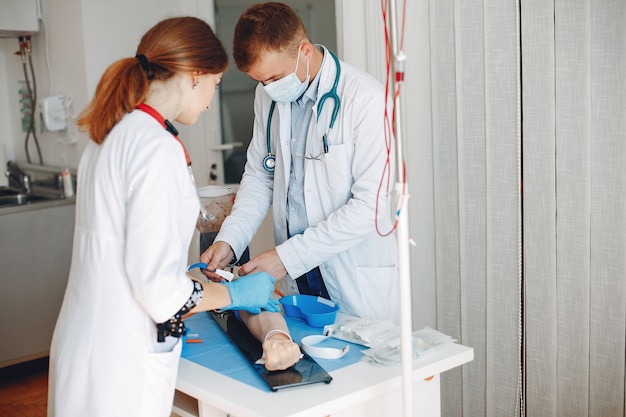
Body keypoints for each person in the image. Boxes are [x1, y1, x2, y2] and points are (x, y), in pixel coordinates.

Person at [47, 17, 291, 417]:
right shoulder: (156, 149)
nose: (212, 100)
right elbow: (160, 295)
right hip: (120, 361)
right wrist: (235, 295)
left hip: (85, 342)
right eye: (214, 83)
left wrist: (188, 277)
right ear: (196, 75)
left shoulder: (109, 134)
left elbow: (128, 256)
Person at [200, 2, 399, 323]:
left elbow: (369, 209)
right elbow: (259, 176)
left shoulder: (365, 99)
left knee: (362, 367)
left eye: (275, 77)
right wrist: (230, 239)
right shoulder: (268, 96)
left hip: (350, 272)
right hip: (299, 277)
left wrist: (286, 258)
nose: (268, 88)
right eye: (260, 81)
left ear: (305, 51)